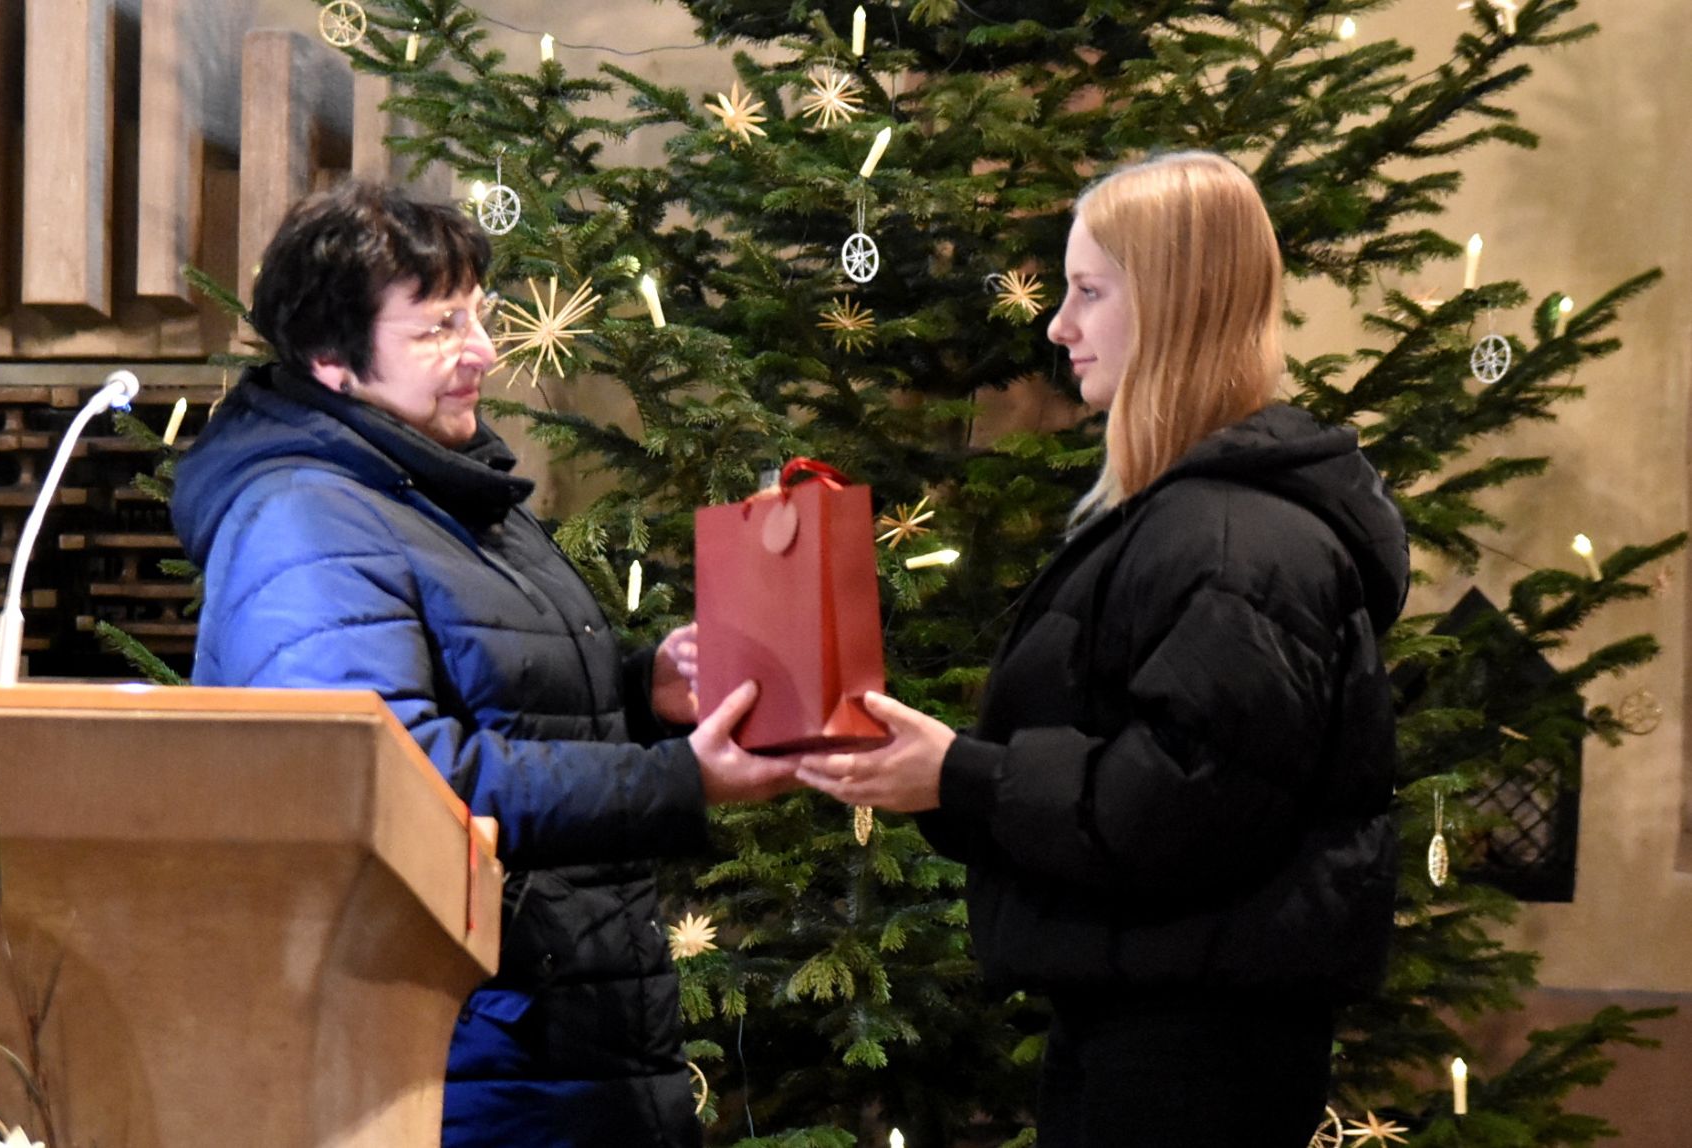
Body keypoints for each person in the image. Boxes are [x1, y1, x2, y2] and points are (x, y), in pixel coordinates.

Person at [792, 152, 1410, 1147]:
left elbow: (1182, 802)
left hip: (1190, 1058)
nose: (1056, 324)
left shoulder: (1232, 539)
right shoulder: (1189, 518)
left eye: (1086, 291)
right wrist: (943, 777)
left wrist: (963, 774)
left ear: (1170, 300)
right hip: (1155, 1027)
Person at [171, 180, 794, 1148]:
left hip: (549, 1034)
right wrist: (676, 778)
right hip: (452, 1052)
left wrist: (641, 691)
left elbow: (499, 702)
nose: (484, 352)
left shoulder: (440, 483)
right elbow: (397, 779)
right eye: (437, 326)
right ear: (333, 357)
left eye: (479, 314)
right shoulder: (302, 516)